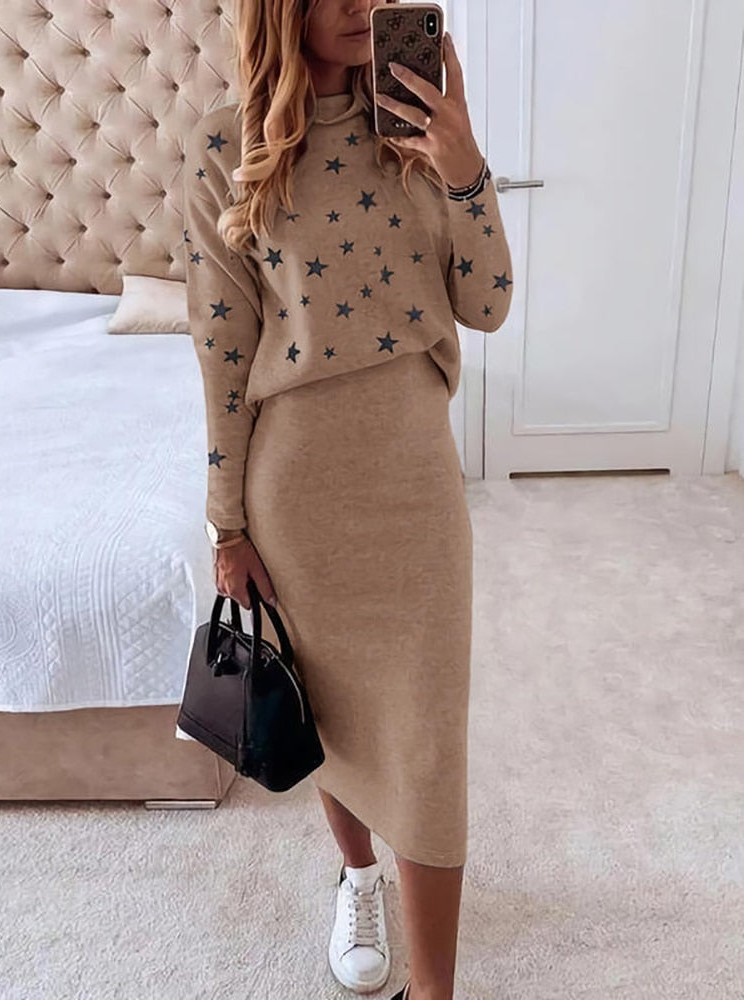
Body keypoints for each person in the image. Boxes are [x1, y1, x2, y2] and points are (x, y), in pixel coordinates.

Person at [182, 2, 513, 998]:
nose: (362, 5)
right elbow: (222, 353)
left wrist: (465, 166)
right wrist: (227, 522)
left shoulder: (421, 130)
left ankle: (435, 988)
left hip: (414, 480)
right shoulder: (225, 147)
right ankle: (358, 875)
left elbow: (488, 304)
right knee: (334, 714)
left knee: (427, 739)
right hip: (298, 491)